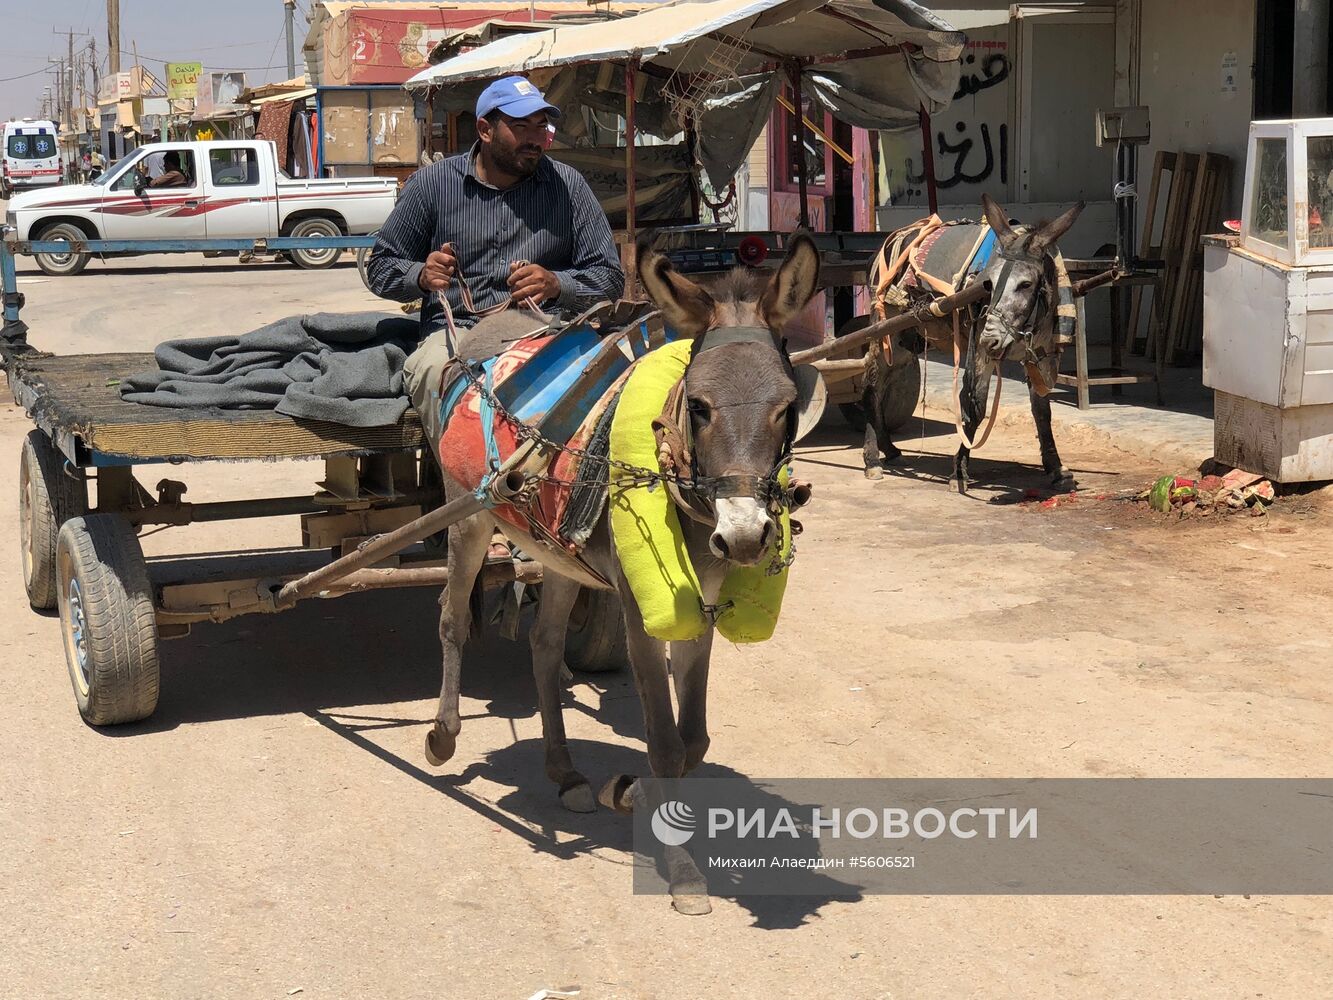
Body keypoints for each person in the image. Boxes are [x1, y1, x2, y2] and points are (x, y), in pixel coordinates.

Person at [367, 75, 624, 453]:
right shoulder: (433, 185)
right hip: (457, 334)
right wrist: (421, 275)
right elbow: (380, 267)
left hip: (545, 328)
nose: (535, 139)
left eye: (541, 126)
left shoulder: (568, 186)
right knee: (434, 373)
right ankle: (462, 490)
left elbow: (609, 278)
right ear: (485, 129)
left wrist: (557, 284)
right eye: (521, 126)